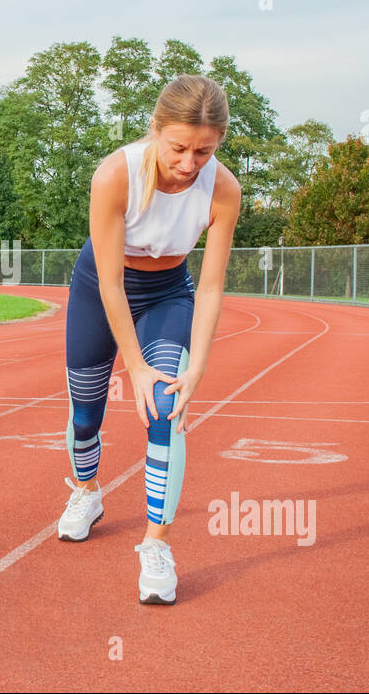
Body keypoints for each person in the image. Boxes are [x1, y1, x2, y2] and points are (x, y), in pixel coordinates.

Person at [57, 75, 241, 604]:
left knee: (165, 406)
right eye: (179, 148)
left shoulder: (223, 189)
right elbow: (111, 283)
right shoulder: (115, 175)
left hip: (169, 293)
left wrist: (198, 366)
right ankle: (87, 493)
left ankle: (156, 545)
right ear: (156, 130)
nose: (189, 163)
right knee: (86, 410)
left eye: (204, 151)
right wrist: (133, 366)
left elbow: (210, 285)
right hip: (101, 286)